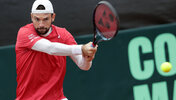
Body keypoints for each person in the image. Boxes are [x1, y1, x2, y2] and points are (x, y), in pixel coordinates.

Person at [15, 0, 98, 100]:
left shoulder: (63, 35)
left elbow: (83, 65)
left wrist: (87, 59)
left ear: (53, 17)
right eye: (37, 19)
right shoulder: (24, 33)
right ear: (31, 17)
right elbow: (50, 48)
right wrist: (81, 48)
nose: (41, 24)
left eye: (45, 19)